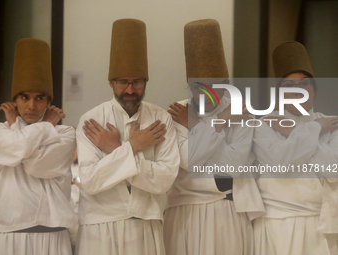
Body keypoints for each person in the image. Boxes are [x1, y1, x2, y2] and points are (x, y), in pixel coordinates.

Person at [74, 19, 180, 255]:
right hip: (99, 225)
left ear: (146, 82)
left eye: (137, 82)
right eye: (123, 82)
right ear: (111, 82)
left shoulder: (160, 119)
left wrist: (117, 149)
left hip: (147, 222)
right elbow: (90, 181)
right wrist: (132, 146)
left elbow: (165, 180)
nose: (130, 90)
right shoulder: (91, 120)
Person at [163, 19, 265, 255]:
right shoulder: (178, 113)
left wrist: (199, 127)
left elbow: (235, 166)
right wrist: (220, 123)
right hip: (184, 211)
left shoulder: (241, 111)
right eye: (200, 86)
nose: (207, 93)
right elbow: (189, 160)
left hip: (229, 212)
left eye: (215, 86)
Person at [253, 41, 338, 255]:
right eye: (288, 86)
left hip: (320, 223)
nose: (297, 90)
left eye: (304, 84)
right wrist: (313, 131)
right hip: (275, 223)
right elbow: (280, 163)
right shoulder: (264, 124)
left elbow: (332, 169)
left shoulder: (331, 123)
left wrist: (295, 132)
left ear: (314, 90)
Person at [0, 38, 76, 255]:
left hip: (53, 233)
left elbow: (37, 166)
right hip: (9, 232)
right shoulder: (0, 131)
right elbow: (16, 148)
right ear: (14, 100)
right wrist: (47, 125)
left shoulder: (65, 132)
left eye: (39, 98)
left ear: (48, 102)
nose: (32, 106)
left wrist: (21, 135)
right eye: (25, 97)